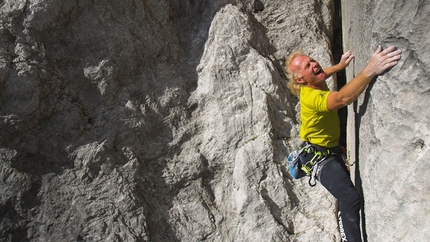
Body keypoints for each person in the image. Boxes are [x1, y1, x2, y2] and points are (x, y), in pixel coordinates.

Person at [284, 46, 402, 242]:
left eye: (312, 60)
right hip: (319, 159)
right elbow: (343, 98)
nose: (315, 64)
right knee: (350, 198)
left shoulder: (313, 82)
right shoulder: (312, 97)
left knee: (346, 196)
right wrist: (370, 69)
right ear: (301, 80)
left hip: (329, 150)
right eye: (307, 65)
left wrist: (340, 66)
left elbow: (321, 73)